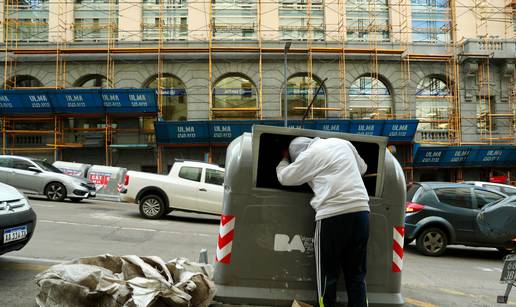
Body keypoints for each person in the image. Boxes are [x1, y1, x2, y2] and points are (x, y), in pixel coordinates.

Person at [276, 137, 370, 307]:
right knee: (357, 274)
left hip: (332, 216)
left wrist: (284, 159)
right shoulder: (343, 142)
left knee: (328, 276)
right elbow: (363, 168)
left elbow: (285, 177)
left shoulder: (308, 156)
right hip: (361, 211)